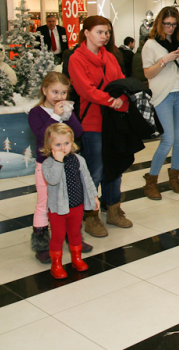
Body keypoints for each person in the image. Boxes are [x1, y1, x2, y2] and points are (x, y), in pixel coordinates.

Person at [68, 16, 132, 237]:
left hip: (113, 120)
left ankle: (113, 208)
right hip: (92, 120)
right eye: (99, 32)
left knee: (114, 167)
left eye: (106, 32)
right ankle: (91, 215)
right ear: (86, 33)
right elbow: (85, 89)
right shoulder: (77, 59)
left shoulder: (111, 57)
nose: (104, 36)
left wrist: (121, 100)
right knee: (94, 170)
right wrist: (110, 100)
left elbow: (122, 82)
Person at [28, 72, 87, 263]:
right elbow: (41, 136)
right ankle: (42, 243)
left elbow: (77, 132)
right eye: (54, 92)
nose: (59, 97)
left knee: (71, 201)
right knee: (44, 203)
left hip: (68, 166)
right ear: (44, 90)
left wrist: (68, 117)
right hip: (45, 166)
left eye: (63, 93)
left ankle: (73, 237)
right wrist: (55, 116)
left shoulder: (65, 111)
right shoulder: (36, 113)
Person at [141, 7, 179, 200]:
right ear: (159, 23)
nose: (170, 28)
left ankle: (174, 177)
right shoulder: (151, 45)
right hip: (162, 95)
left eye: (174, 24)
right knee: (167, 139)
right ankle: (151, 181)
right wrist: (165, 60)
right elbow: (147, 73)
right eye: (167, 24)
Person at [41, 123, 99, 279]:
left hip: (77, 205)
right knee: (58, 236)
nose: (62, 148)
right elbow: (52, 180)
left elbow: (87, 179)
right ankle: (56, 265)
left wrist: (94, 196)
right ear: (49, 145)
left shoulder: (79, 159)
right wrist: (59, 162)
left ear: (72, 141)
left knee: (75, 233)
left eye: (66, 143)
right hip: (58, 209)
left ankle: (77, 258)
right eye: (57, 144)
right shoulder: (48, 164)